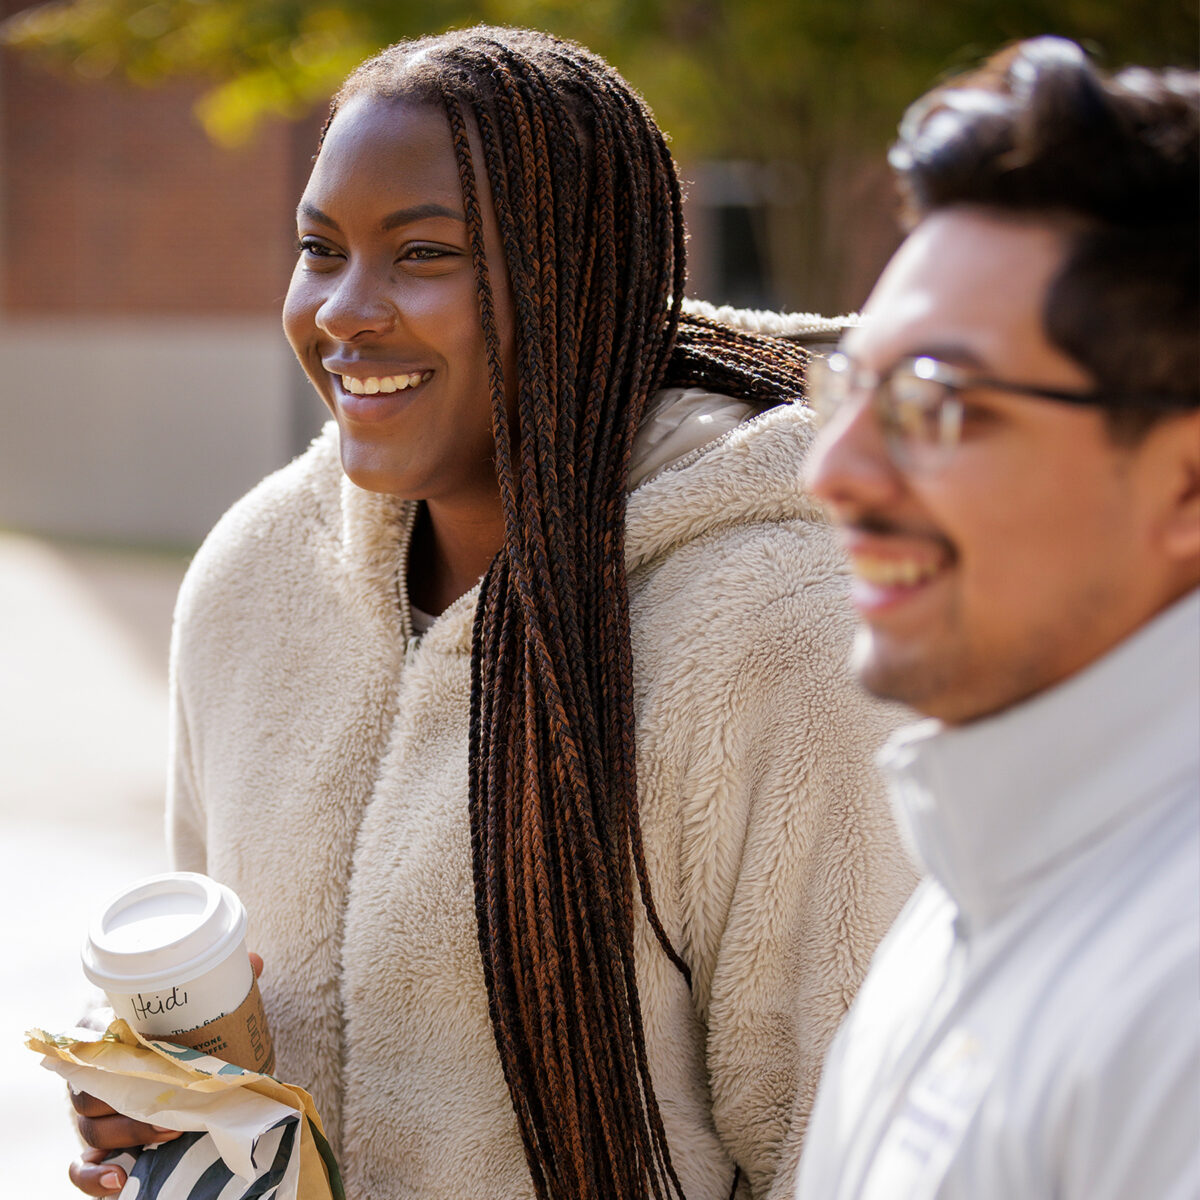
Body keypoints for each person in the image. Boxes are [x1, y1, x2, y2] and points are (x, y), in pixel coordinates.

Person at [68, 26, 915, 1200]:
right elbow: (252, 1056)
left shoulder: (780, 638)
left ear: (582, 281)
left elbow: (853, 1150)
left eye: (422, 254)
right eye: (320, 250)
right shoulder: (252, 584)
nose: (344, 311)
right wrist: (174, 1118)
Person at [794, 36, 1199, 1200]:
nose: (835, 468)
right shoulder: (981, 873)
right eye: (851, 383)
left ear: (1185, 483)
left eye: (940, 403)